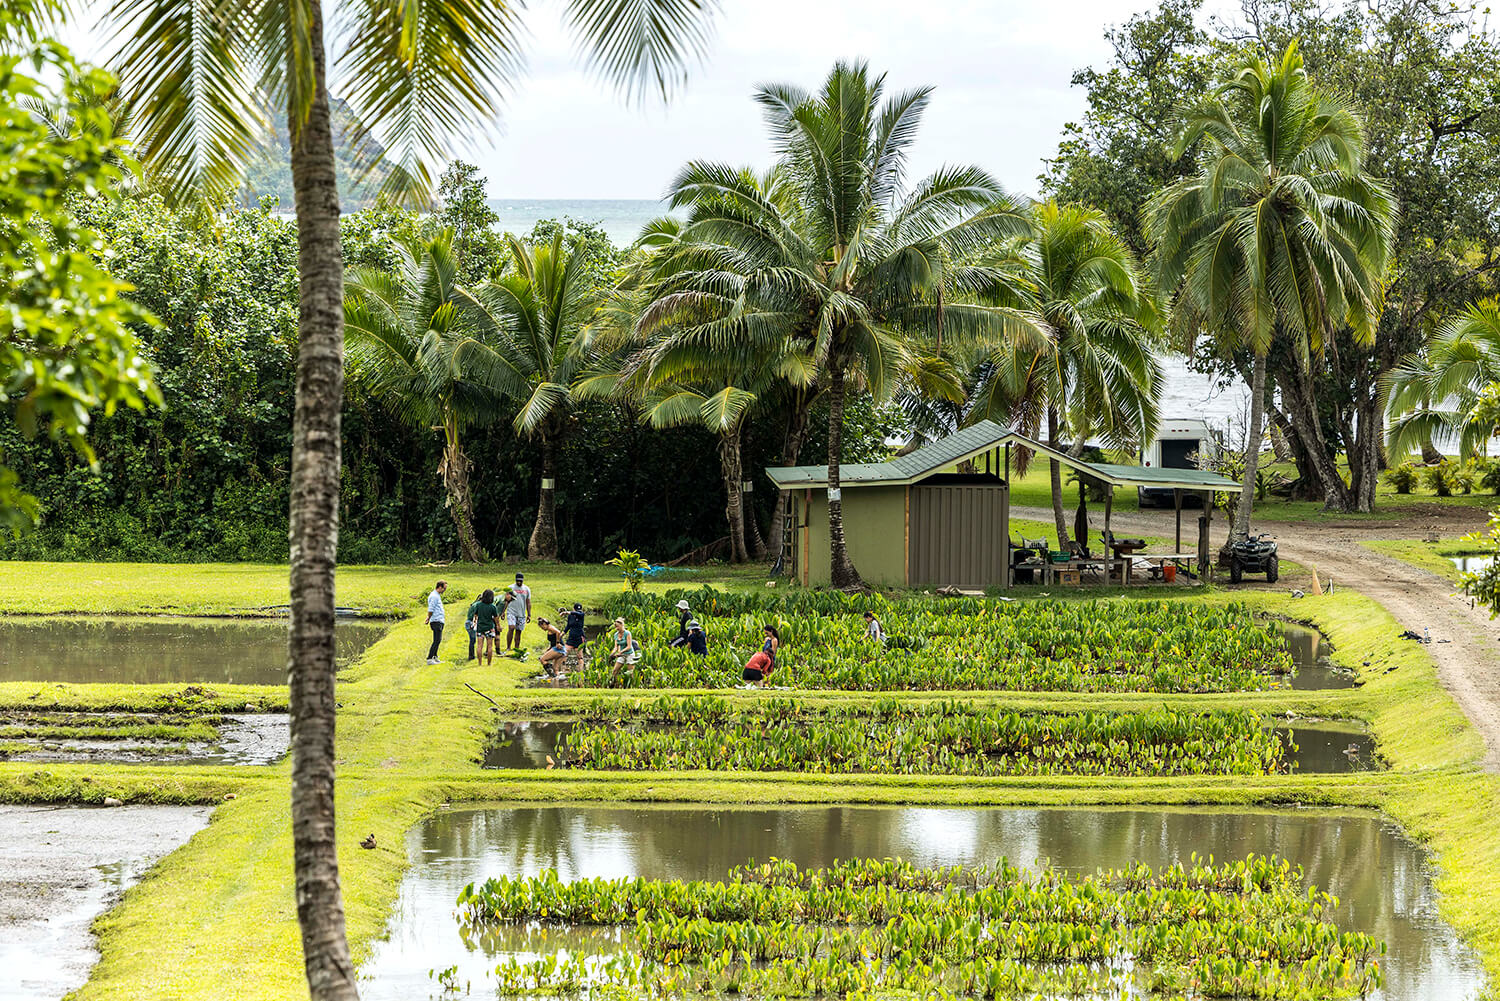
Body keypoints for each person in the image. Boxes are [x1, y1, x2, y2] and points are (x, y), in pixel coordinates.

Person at [471, 589, 501, 666]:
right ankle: (489, 663)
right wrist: (498, 626)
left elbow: (475, 615)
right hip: (490, 628)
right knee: (490, 646)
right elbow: (496, 618)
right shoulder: (493, 606)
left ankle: (480, 663)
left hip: (480, 628)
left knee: (479, 646)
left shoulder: (478, 605)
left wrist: (474, 623)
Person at [506, 572, 532, 655]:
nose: (519, 582)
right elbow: (506, 601)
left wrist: (529, 614)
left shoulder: (526, 589)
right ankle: (508, 647)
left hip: (521, 614)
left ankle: (516, 648)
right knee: (511, 627)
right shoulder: (510, 588)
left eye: (520, 581)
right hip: (511, 611)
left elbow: (528, 602)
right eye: (517, 581)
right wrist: (503, 612)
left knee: (518, 631)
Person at [424, 580, 447, 664]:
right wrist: (428, 618)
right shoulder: (434, 596)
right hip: (436, 620)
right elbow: (431, 609)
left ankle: (435, 656)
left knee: (438, 640)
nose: (444, 590)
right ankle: (429, 658)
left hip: (439, 620)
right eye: (444, 588)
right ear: (440, 587)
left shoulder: (437, 595)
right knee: (437, 640)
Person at [464, 595, 482, 661]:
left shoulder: (474, 604)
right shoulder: (478, 605)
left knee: (472, 640)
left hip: (468, 622)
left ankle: (472, 655)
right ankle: (471, 656)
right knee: (472, 640)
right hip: (471, 623)